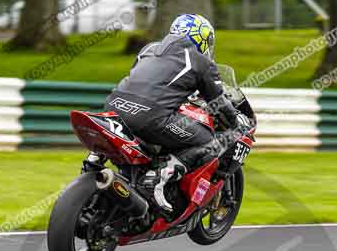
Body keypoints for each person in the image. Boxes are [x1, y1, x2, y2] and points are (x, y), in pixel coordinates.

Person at [103, 13, 250, 212]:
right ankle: (161, 175)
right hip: (151, 117)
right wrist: (235, 123)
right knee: (211, 140)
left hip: (114, 106)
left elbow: (148, 83)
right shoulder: (201, 61)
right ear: (202, 39)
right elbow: (219, 101)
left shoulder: (149, 49)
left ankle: (97, 160)